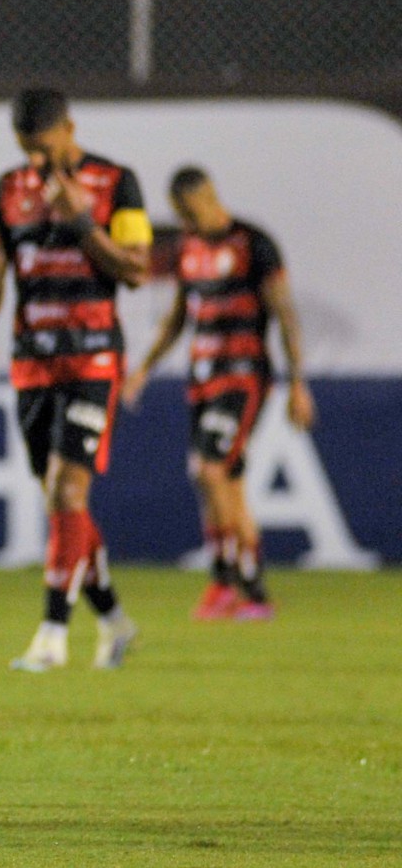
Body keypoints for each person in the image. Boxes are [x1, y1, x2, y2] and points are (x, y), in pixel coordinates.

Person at [0, 89, 148, 673]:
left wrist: (82, 225)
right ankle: (116, 621)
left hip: (93, 357)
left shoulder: (116, 183)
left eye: (44, 149)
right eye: (27, 152)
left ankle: (51, 635)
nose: (38, 164)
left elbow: (137, 268)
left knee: (66, 492)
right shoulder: (8, 189)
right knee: (63, 506)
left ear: (70, 128)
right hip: (32, 361)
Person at [124, 167, 313, 621]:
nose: (186, 222)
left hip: (243, 374)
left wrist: (298, 383)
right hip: (203, 377)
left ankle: (236, 583)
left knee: (210, 472)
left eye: (190, 212)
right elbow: (176, 318)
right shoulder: (189, 249)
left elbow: (285, 314)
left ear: (209, 198)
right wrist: (143, 370)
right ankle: (241, 588)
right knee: (223, 482)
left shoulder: (253, 244)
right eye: (179, 215)